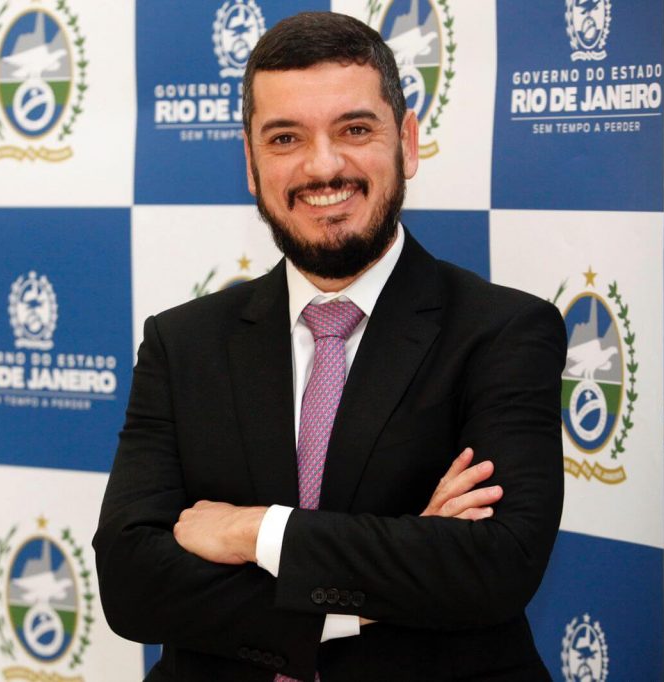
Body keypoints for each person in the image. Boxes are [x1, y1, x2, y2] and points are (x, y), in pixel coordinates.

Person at [94, 12, 565, 682]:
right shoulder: (183, 343)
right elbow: (132, 584)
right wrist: (382, 581)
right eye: (285, 137)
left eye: (354, 129)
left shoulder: (504, 333)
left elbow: (492, 564)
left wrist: (254, 532)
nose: (323, 166)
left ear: (407, 142)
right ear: (251, 164)